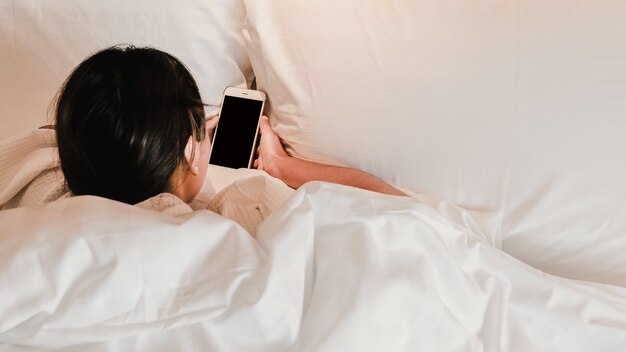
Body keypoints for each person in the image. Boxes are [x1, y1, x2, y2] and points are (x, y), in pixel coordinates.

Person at [54, 45, 405, 206]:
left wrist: (172, 135)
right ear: (192, 151)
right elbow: (402, 208)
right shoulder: (243, 207)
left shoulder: (39, 184)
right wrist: (282, 166)